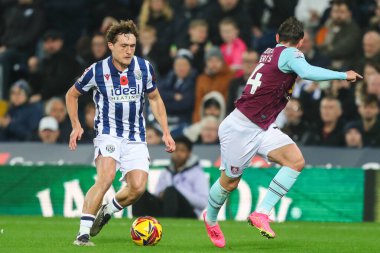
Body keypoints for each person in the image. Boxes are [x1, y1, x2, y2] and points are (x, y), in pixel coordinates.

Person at [202, 17, 362, 248]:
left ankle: (262, 213)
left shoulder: (271, 51)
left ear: (277, 37)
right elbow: (306, 72)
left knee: (295, 161)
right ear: (302, 42)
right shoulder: (290, 53)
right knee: (229, 183)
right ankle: (212, 218)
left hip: (262, 126)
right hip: (241, 128)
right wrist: (341, 74)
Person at [65, 20, 176, 247]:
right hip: (108, 133)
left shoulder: (144, 68)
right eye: (123, 45)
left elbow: (155, 99)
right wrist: (76, 125)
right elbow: (71, 95)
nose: (128, 50)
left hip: (136, 136)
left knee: (137, 188)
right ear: (111, 46)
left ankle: (107, 211)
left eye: (132, 46)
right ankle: (83, 234)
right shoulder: (97, 70)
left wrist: (166, 131)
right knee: (105, 178)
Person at [132, 136, 208, 218]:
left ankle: (169, 224)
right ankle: (137, 224)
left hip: (188, 212)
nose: (178, 153)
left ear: (189, 153)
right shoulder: (166, 171)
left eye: (182, 150)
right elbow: (158, 193)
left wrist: (176, 191)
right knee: (140, 192)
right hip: (165, 209)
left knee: (171, 191)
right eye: (176, 150)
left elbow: (203, 202)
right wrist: (162, 194)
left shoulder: (197, 173)